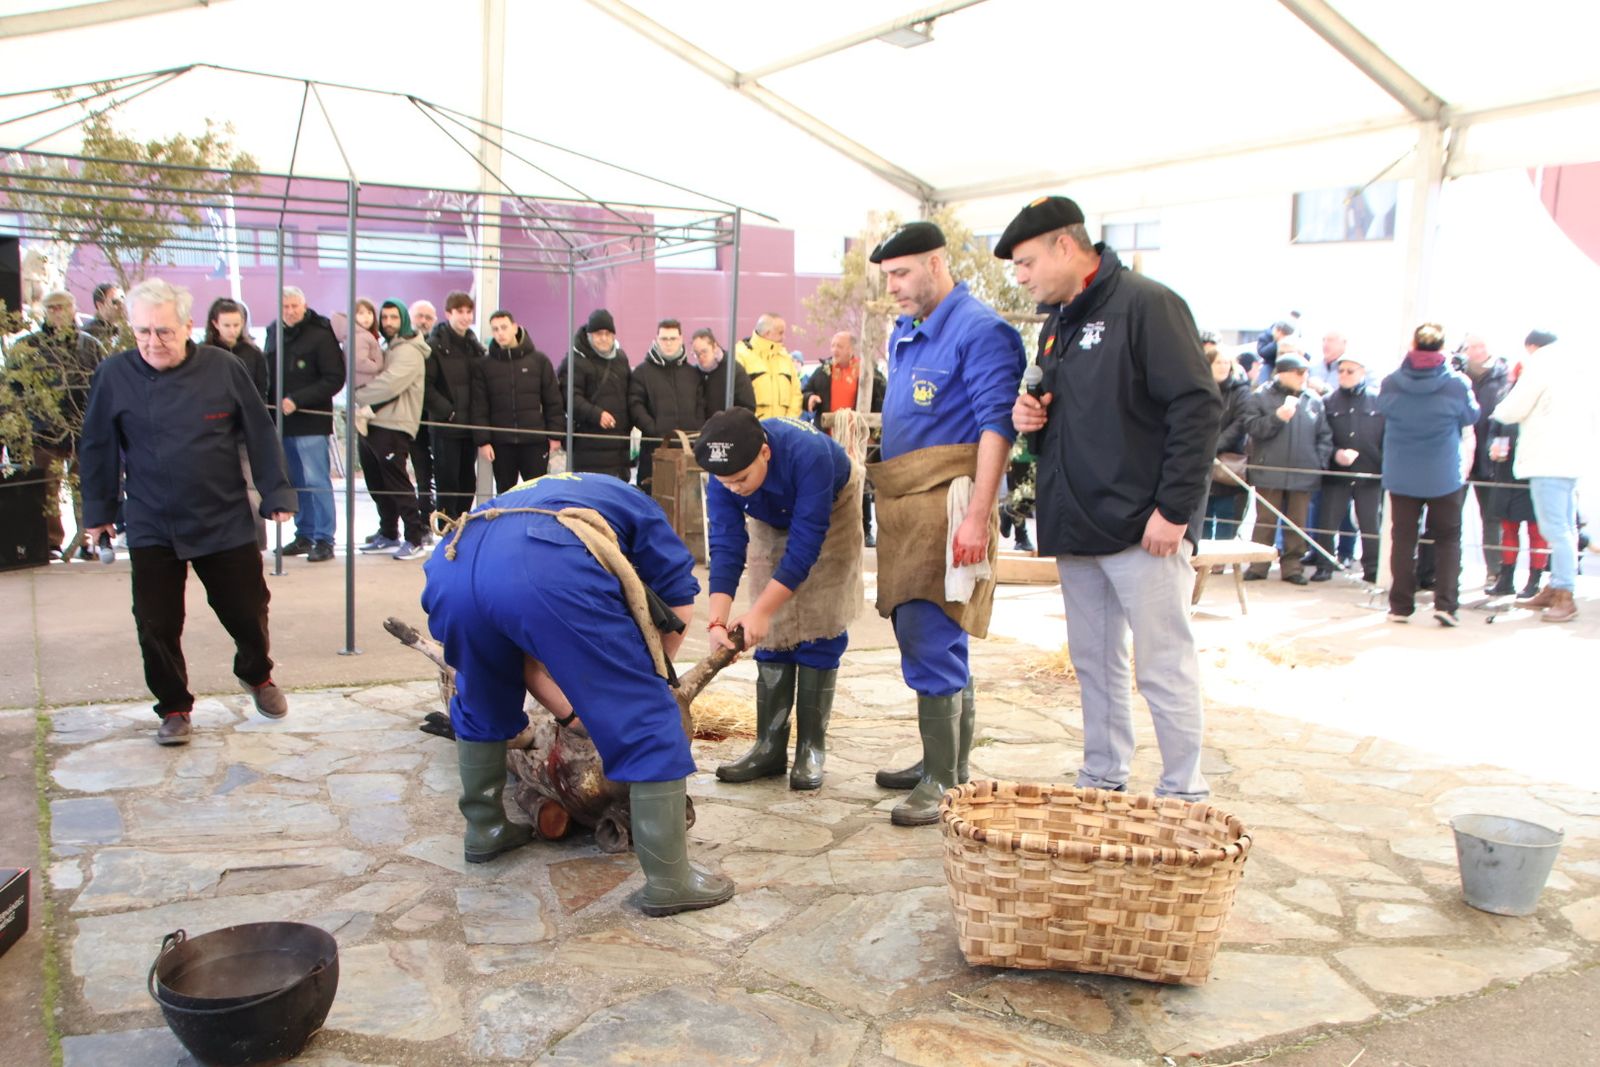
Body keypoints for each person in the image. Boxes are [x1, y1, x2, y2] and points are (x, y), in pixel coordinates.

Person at [421, 472, 732, 916]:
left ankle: (485, 829)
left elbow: (523, 659)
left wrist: (571, 713)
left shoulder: (545, 492)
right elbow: (679, 597)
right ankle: (670, 880)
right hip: (545, 559)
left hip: (453, 565)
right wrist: (653, 681)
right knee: (647, 716)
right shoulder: (636, 503)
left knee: (481, 696)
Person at [1003, 196, 1218, 802]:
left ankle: (1183, 790)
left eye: (1025, 262)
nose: (1020, 277)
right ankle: (1102, 777)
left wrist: (1175, 510)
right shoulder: (1056, 324)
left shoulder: (1148, 305)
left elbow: (1197, 408)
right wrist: (1030, 417)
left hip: (1142, 527)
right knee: (1095, 664)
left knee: (1162, 664)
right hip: (1076, 525)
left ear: (1065, 247)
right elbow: (1073, 412)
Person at [79, 279, 295, 745]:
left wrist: (275, 494)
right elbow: (97, 447)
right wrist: (98, 511)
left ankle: (256, 674)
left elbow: (259, 433)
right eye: (143, 333)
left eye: (164, 332)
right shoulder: (114, 375)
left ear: (188, 327)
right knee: (155, 623)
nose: (153, 342)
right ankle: (174, 707)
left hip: (222, 516)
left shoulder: (224, 368)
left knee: (247, 611)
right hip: (152, 520)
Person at [866, 221, 1026, 826]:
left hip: (951, 503)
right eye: (889, 277)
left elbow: (997, 426)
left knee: (933, 629)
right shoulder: (909, 331)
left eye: (902, 274)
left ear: (937, 263)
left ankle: (941, 778)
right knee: (925, 627)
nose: (895, 288)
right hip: (910, 501)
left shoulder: (981, 331)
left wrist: (978, 517)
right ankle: (949, 763)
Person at [699, 410, 864, 791]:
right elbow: (726, 544)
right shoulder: (726, 478)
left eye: (741, 478)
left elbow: (806, 545)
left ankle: (810, 749)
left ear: (765, 453)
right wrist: (717, 621)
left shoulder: (809, 455)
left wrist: (761, 610)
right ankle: (769, 747)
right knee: (770, 634)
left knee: (821, 621)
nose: (734, 487)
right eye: (726, 482)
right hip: (769, 513)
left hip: (830, 510)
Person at [1378, 323, 1480, 626]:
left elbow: (1382, 409)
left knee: (1403, 538)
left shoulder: (1392, 382)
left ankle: (1400, 606)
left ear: (1413, 344)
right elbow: (1471, 415)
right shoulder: (1456, 383)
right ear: (1442, 347)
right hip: (1443, 473)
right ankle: (1446, 605)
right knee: (1448, 538)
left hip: (1402, 472)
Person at [1493, 329, 1590, 623]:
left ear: (1532, 347)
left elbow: (1513, 409)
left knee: (1556, 530)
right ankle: (1559, 584)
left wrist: (1498, 411)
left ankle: (1564, 594)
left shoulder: (1542, 365)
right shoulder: (1578, 365)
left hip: (1546, 458)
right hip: (1570, 459)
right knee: (1565, 529)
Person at [14, 290, 106, 560]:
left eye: (62, 307)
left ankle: (88, 538)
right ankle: (52, 542)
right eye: (52, 307)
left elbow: (103, 385)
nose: (57, 312)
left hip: (83, 427)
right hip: (43, 428)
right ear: (44, 311)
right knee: (47, 489)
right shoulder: (29, 346)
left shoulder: (89, 345)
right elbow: (15, 387)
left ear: (73, 308)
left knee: (86, 486)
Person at [264, 287, 345, 562]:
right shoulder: (274, 330)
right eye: (285, 306)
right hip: (281, 421)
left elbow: (335, 378)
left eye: (294, 306)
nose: (289, 311)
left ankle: (324, 538)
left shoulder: (321, 334)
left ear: (305, 305)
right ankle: (305, 534)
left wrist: (297, 399)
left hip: (311, 421)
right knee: (297, 481)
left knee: (315, 480)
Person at [1242, 350, 1333, 584]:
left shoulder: (1313, 400)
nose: (1304, 376)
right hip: (1269, 470)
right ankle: (1258, 565)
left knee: (1297, 524)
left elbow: (1324, 435)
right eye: (1298, 372)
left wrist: (1318, 462)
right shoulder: (1260, 396)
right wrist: (1278, 417)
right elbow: (1252, 428)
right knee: (1265, 522)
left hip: (1303, 472)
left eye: (1306, 372)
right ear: (1282, 373)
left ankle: (1293, 568)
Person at [353, 301, 429, 559]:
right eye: (384, 317)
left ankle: (415, 537)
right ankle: (388, 532)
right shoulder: (389, 347)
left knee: (397, 482)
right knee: (376, 482)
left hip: (394, 425)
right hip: (374, 423)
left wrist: (359, 395)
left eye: (394, 317)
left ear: (404, 319)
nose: (387, 322)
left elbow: (389, 384)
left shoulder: (409, 351)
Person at [803, 330, 885, 544]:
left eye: (839, 346)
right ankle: (829, 530)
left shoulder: (868, 372)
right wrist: (810, 398)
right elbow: (806, 390)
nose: (834, 350)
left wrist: (874, 435)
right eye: (832, 345)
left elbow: (881, 401)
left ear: (851, 349)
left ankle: (865, 530)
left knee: (861, 483)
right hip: (828, 438)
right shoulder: (823, 371)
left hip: (857, 440)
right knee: (828, 483)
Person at [470, 309, 564, 492]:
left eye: (504, 327)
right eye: (495, 329)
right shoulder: (484, 366)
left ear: (515, 327)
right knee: (505, 493)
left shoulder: (539, 361)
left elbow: (553, 401)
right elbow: (480, 406)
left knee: (538, 492)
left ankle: (536, 522)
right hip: (501, 443)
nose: (500, 333)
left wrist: (555, 436)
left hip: (534, 441)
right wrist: (483, 441)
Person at [205, 298, 271, 551]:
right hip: (212, 432)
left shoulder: (253, 354)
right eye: (227, 324)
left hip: (245, 433)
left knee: (252, 491)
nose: (233, 329)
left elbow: (261, 395)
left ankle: (256, 543)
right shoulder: (205, 354)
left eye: (237, 324)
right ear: (215, 324)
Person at [1314, 353, 1384, 583]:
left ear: (1362, 372)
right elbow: (1322, 436)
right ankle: (1324, 564)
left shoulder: (1378, 401)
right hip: (1337, 472)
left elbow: (1386, 437)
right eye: (1340, 371)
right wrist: (1335, 454)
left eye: (1349, 371)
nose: (1343, 375)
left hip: (1369, 472)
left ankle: (1372, 568)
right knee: (1328, 520)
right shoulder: (1328, 402)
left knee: (1370, 523)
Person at [427, 291, 487, 519]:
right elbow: (426, 387)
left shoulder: (474, 346)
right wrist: (448, 412)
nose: (465, 316)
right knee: (447, 482)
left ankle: (462, 525)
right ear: (448, 313)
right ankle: (445, 529)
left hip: (468, 428)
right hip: (446, 427)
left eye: (468, 311)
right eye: (459, 311)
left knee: (467, 482)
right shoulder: (435, 346)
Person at [629, 319, 706, 494]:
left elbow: (701, 404)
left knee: (687, 504)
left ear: (680, 339)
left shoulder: (692, 373)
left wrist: (696, 429)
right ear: (656, 340)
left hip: (688, 450)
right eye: (664, 339)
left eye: (673, 338)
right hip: (654, 450)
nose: (669, 343)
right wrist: (653, 429)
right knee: (654, 498)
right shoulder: (642, 372)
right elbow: (635, 404)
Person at [1461, 333, 1512, 588]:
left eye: (1481, 346)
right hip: (1458, 457)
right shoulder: (1455, 375)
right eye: (1472, 346)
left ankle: (1495, 571)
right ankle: (1443, 569)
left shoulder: (1505, 377)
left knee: (1491, 518)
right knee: (1448, 518)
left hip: (1488, 460)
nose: (1477, 351)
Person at [559, 309, 633, 480]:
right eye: (599, 333)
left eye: (608, 333)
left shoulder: (621, 359)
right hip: (588, 445)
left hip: (619, 447)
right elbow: (569, 397)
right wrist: (596, 414)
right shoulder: (575, 360)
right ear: (589, 334)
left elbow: (630, 393)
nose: (604, 338)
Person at [1485, 391, 1546, 600]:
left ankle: (1534, 582)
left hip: (1533, 475)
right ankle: (1505, 580)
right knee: (1508, 529)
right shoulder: (1507, 402)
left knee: (1536, 532)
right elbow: (1493, 432)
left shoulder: (1546, 405)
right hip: (1506, 474)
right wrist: (1491, 446)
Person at [1204, 340, 1252, 540]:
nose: (1223, 367)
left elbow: (1241, 422)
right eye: (1218, 363)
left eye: (1226, 363)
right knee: (1204, 512)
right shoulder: (1200, 389)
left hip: (1229, 458)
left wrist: (1216, 445)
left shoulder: (1240, 391)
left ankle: (1221, 559)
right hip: (1202, 457)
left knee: (1226, 511)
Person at [408, 299, 444, 533]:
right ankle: (422, 520)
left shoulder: (439, 347)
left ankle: (438, 520)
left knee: (440, 473)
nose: (423, 321)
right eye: (420, 316)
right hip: (413, 419)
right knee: (421, 472)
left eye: (428, 317)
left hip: (437, 418)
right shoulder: (406, 345)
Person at [735, 313, 802, 419]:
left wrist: (789, 422)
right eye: (780, 333)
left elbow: (796, 394)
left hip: (783, 430)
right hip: (753, 430)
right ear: (767, 333)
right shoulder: (740, 355)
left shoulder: (785, 358)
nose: (784, 337)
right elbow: (737, 396)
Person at [692, 328, 756, 417]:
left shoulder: (733, 370)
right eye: (696, 353)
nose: (700, 357)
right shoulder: (694, 373)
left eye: (704, 352)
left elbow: (748, 406)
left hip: (729, 428)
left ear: (714, 347)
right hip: (702, 429)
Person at [85, 282, 125, 350]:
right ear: (100, 305)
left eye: (123, 299)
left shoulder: (127, 329)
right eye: (115, 302)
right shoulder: (89, 334)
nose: (121, 305)